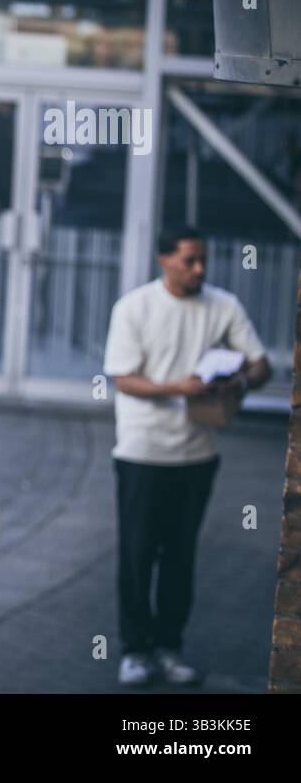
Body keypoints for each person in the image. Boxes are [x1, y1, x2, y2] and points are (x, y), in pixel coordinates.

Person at [103, 225, 272, 688]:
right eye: (189, 260)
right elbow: (124, 379)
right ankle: (135, 650)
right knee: (138, 556)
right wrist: (178, 387)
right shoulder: (134, 308)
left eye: (203, 260)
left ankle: (169, 648)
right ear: (164, 260)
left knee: (180, 558)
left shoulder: (224, 305)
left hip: (197, 455)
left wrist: (239, 381)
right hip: (142, 453)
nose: (199, 269)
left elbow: (262, 364)